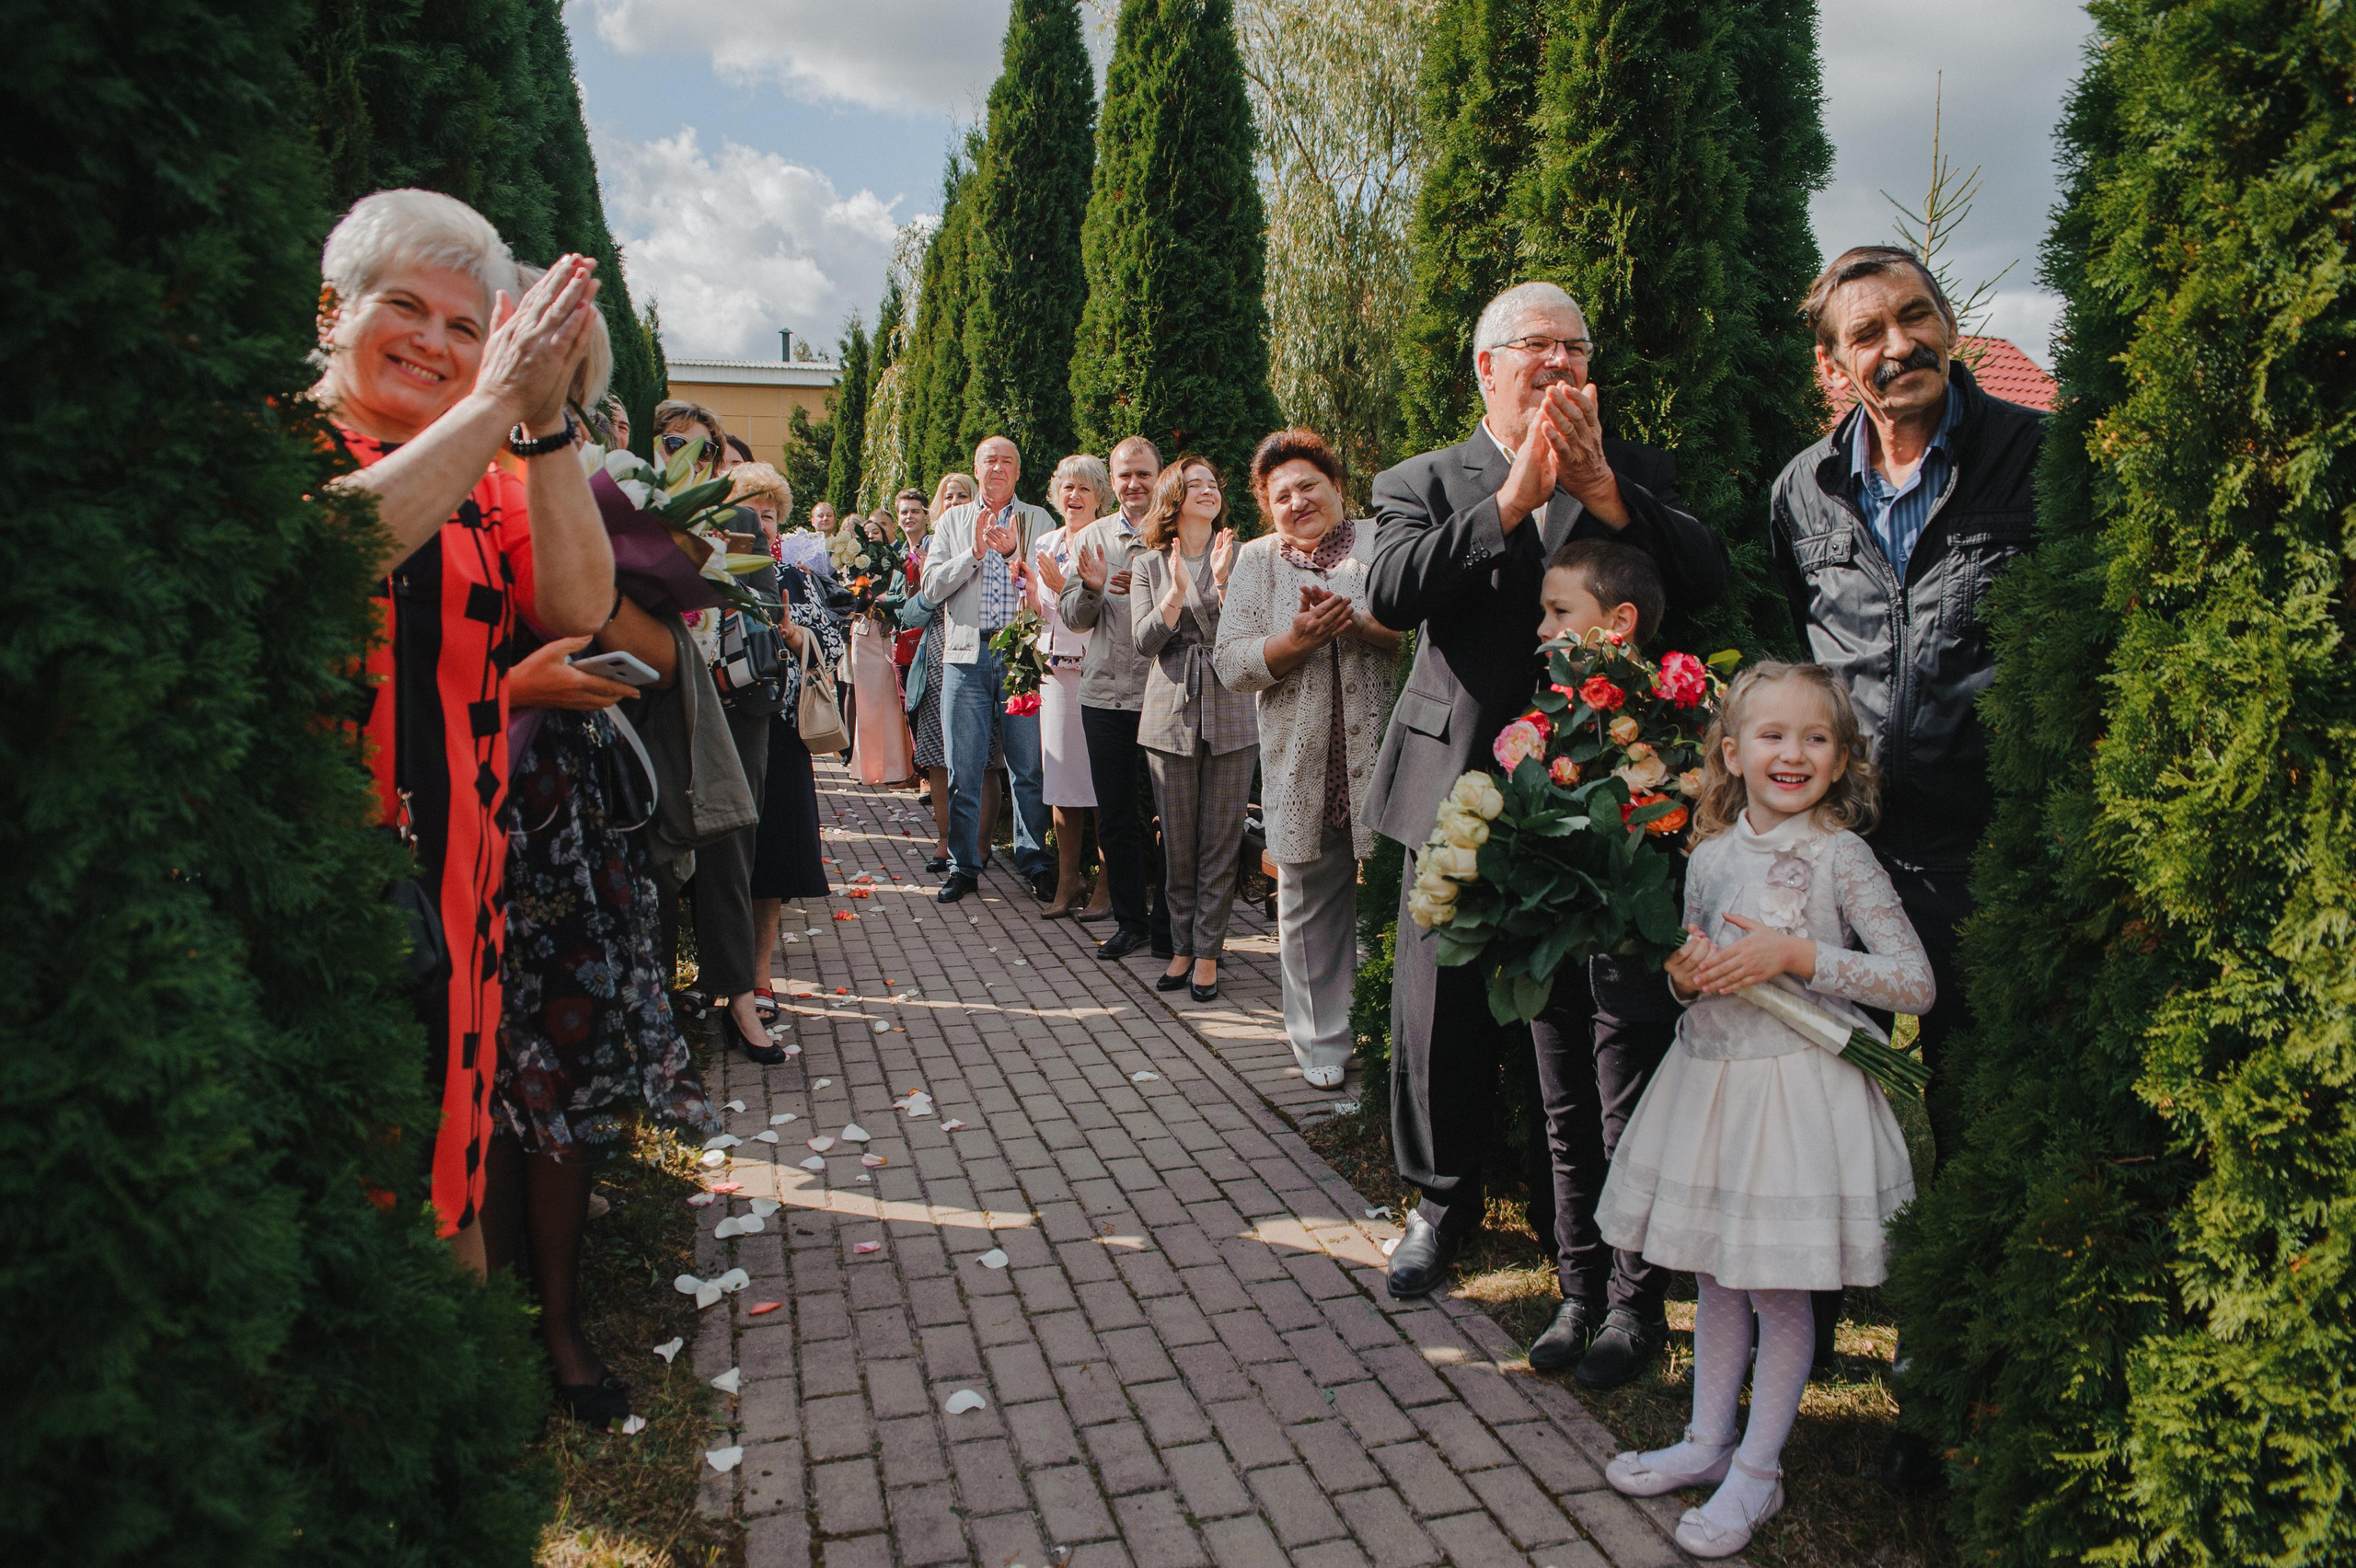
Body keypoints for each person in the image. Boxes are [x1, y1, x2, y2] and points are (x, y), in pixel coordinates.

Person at [1366, 280, 1728, 1309]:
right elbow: (1392, 595)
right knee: (1438, 1014)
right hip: (1458, 778)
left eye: (1575, 348)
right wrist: (1510, 501)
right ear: (1487, 366)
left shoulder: (1631, 477)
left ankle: (1592, 1212)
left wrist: (1606, 490)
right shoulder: (1423, 480)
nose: (1560, 364)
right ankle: (1440, 1203)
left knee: (1583, 1020)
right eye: (1538, 347)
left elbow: (1706, 578)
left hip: (1595, 793)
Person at [1770, 244, 2044, 1490]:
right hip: (1848, 858)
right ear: (1835, 365)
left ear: (1946, 323)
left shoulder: (2032, 461)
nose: (1898, 348)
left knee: (1978, 1121)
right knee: (1823, 1107)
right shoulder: (1803, 494)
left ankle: (1943, 1385)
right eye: (1867, 334)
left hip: (1982, 852)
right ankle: (1804, 1337)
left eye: (1914, 317)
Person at [315, 190, 615, 1268]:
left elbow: (579, 605)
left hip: (456, 892)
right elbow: (332, 550)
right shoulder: (276, 445)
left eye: (462, 326)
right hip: (320, 893)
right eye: (406, 309)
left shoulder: (492, 484)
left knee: (446, 1166)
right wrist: (492, 400)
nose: (434, 346)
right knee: (331, 1177)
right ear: (330, 314)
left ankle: (453, 1407)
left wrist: (540, 421)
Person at [1595, 663, 1931, 1558]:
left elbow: (1913, 982)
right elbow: (1697, 969)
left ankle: (1759, 1470)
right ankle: (1708, 1441)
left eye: (1815, 737)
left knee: (1775, 1287)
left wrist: (1799, 954)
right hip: (1710, 1087)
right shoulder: (1707, 854)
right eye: (1772, 736)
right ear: (1732, 752)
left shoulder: (1839, 856)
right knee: (1713, 1274)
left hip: (1795, 1097)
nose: (1793, 753)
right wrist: (1682, 973)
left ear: (1841, 757)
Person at [485, 290, 718, 1424]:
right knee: (465, 1076)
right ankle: (483, 1310)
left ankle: (561, 1319)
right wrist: (503, 685)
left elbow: (645, 650)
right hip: (446, 807)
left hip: (559, 825)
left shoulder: (563, 478)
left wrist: (617, 598)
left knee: (558, 1073)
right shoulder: (414, 473)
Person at [1519, 539, 1689, 1387]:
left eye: (1559, 612)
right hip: (1557, 955)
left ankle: (1634, 1308)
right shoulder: (1540, 721)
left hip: (1632, 958)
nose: (1542, 628)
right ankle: (1577, 1292)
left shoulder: (1668, 724)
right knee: (1566, 1122)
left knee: (1629, 1128)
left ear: (1618, 624)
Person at [1213, 429, 1402, 1086]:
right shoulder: (1258, 560)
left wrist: (1361, 626)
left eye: (1308, 486)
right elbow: (1232, 661)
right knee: (1306, 906)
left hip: (1381, 756)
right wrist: (1290, 644)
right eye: (1281, 494)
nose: (1297, 501)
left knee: (1391, 900)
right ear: (1268, 507)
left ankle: (1393, 1033)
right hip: (1300, 764)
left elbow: (1419, 635)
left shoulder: (1383, 541)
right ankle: (1321, 1044)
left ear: (1336, 486)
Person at [1129, 455, 1253, 1001]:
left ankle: (1208, 952)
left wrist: (1223, 585)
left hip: (1230, 711)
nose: (1208, 490)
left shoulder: (1243, 557)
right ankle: (1180, 946)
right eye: (1195, 484)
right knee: (1178, 843)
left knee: (1220, 843)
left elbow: (1252, 636)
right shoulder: (1148, 564)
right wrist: (1176, 594)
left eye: (1213, 482)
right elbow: (1143, 642)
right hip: (1170, 711)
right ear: (1175, 498)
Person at [922, 436, 1055, 903]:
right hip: (965, 655)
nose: (998, 468)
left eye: (1007, 462)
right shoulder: (953, 520)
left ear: (1018, 472)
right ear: (976, 470)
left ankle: (1035, 860)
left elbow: (1051, 589)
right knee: (965, 766)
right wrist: (974, 554)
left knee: (1027, 767)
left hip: (1021, 656)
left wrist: (1016, 557)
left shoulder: (1040, 520)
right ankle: (963, 865)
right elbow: (931, 588)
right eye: (989, 461)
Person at [741, 463, 849, 1035]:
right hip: (721, 731)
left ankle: (758, 977)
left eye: (767, 514)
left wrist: (799, 635)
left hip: (780, 733)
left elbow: (832, 641)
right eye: (747, 511)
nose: (757, 524)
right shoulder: (708, 573)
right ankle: (721, 978)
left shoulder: (797, 578)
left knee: (773, 860)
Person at [1059, 435, 1173, 961]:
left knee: (1174, 816)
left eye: (1143, 474)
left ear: (1159, 475)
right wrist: (1093, 588)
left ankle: (1171, 922)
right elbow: (1072, 618)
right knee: (1117, 816)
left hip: (1166, 696)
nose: (1134, 484)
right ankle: (1131, 921)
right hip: (1104, 696)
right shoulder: (1092, 537)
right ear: (1113, 479)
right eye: (1124, 475)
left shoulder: (1176, 535)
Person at [1026, 454, 1116, 919]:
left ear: (1101, 496)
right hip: (1056, 675)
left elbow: (1107, 613)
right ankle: (1068, 878)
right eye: (1067, 488)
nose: (1074, 497)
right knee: (1061, 779)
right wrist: (1030, 587)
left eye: (1084, 488)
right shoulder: (1045, 540)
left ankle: (1106, 884)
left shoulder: (1109, 541)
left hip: (1099, 671)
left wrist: (1064, 587)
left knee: (1102, 781)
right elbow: (1041, 610)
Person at [899, 474, 999, 871]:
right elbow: (914, 609)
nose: (956, 500)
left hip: (979, 650)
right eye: (949, 495)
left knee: (985, 756)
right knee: (940, 753)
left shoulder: (993, 536)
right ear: (939, 504)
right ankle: (946, 839)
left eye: (964, 495)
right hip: (939, 651)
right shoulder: (931, 547)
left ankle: (983, 842)